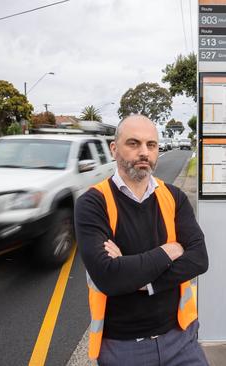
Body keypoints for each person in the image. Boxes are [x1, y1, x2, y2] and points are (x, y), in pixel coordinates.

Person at [74, 115, 209, 365]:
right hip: (123, 348)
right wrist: (170, 251)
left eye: (151, 145)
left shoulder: (173, 197)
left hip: (180, 338)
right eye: (133, 144)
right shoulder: (93, 203)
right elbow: (109, 277)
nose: (144, 152)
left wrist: (139, 278)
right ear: (114, 149)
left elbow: (199, 259)